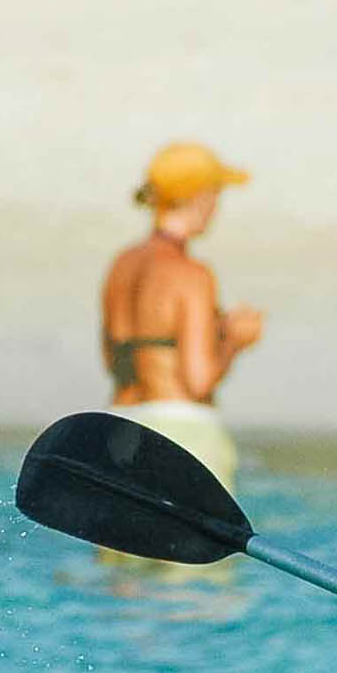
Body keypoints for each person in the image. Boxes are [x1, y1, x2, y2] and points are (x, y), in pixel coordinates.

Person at [100, 141, 262, 490]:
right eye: (216, 194)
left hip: (119, 428)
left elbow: (113, 361)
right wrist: (234, 339)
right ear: (200, 197)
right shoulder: (192, 274)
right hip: (181, 432)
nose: (217, 206)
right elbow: (198, 380)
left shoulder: (122, 265)